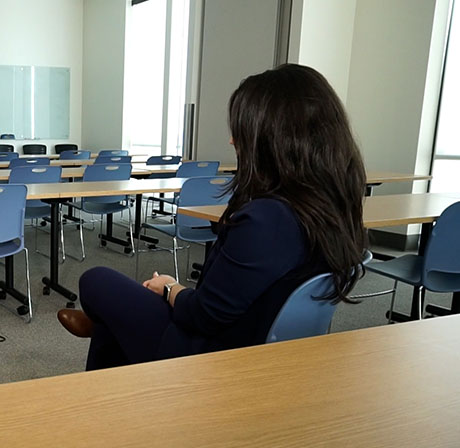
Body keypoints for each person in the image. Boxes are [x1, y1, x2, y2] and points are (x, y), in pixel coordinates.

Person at [57, 64, 367, 370]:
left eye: (241, 129)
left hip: (209, 356)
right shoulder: (333, 207)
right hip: (267, 345)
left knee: (96, 280)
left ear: (274, 138)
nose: (233, 141)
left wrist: (169, 287)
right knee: (115, 319)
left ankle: (105, 328)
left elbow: (203, 315)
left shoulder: (268, 219)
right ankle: (108, 329)